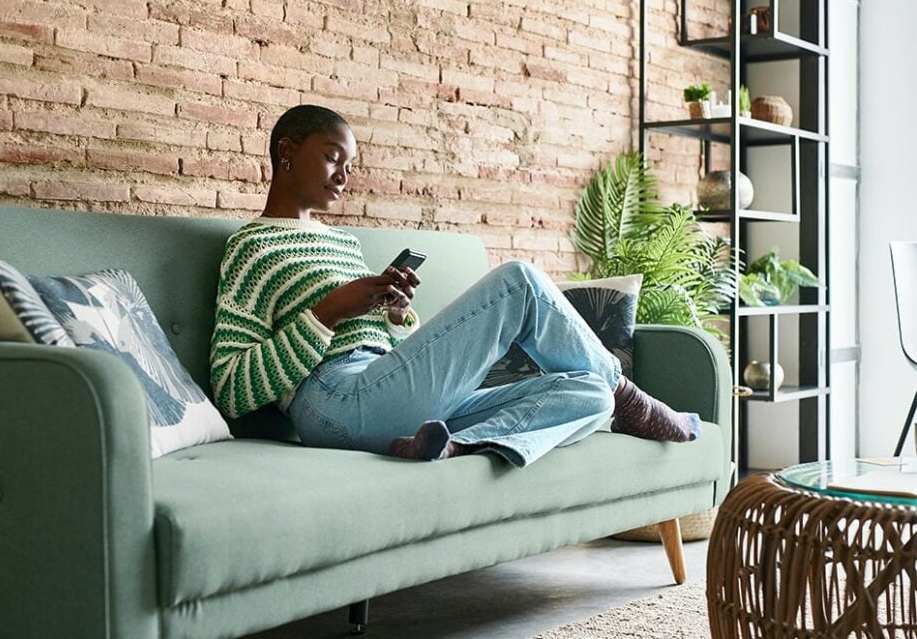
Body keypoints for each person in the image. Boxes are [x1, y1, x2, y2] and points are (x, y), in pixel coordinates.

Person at [210, 105, 700, 467]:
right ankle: (633, 398)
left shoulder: (343, 243)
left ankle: (456, 444)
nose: (344, 176)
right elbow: (230, 387)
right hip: (332, 400)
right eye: (334, 158)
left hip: (388, 392)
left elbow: (384, 347)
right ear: (287, 151)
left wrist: (395, 315)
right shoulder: (251, 247)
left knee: (590, 393)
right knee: (520, 282)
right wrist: (327, 312)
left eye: (351, 166)